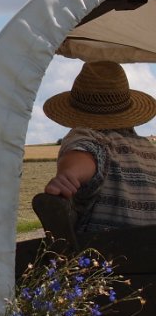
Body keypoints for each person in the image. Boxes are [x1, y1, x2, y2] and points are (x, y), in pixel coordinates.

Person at [43, 60, 156, 233]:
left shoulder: (88, 136)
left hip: (106, 257)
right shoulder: (148, 150)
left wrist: (68, 175)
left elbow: (87, 153)